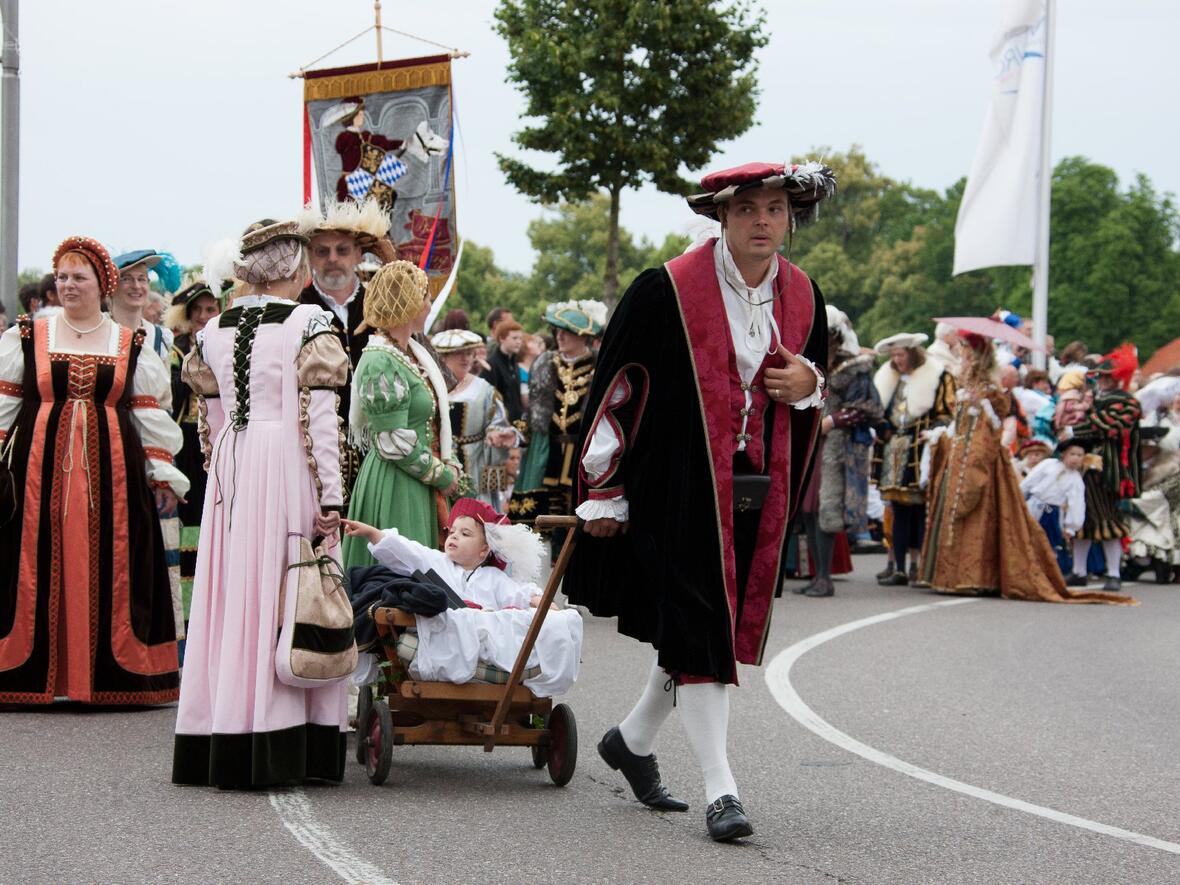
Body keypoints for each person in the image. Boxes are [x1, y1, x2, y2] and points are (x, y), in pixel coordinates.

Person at [563, 161, 833, 842]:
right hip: (674, 485)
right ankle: (723, 789)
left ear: (790, 217)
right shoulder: (666, 290)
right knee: (702, 625)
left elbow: (809, 389)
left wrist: (810, 383)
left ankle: (631, 739)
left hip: (750, 490)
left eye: (775, 209)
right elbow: (617, 389)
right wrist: (603, 488)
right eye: (748, 210)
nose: (763, 222)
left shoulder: (805, 297)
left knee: (696, 629)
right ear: (720, 215)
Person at [172, 216, 351, 788]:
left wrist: (224, 467)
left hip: (233, 464)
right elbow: (321, 421)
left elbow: (212, 419)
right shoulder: (311, 323)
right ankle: (292, 739)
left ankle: (220, 733)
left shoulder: (213, 329)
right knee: (291, 586)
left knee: (234, 594)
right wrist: (331, 495)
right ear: (296, 268)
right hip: (286, 463)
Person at [0, 236, 187, 704]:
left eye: (78, 277)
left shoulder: (131, 342)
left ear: (101, 285)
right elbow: (4, 405)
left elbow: (147, 413)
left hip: (114, 474)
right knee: (33, 560)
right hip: (37, 471)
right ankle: (31, 673)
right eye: (61, 277)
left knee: (112, 557)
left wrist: (161, 472)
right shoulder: (28, 335)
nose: (67, 285)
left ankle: (110, 678)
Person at [918, 334, 1130, 604]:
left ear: (977, 356)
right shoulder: (961, 386)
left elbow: (994, 430)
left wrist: (979, 406)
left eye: (966, 351)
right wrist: (939, 436)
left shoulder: (990, 392)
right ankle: (948, 575)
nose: (962, 355)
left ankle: (978, 576)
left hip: (982, 461)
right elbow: (958, 428)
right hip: (959, 459)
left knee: (983, 517)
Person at [342, 498, 582, 696]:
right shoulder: (436, 562)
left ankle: (501, 667)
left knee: (542, 621)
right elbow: (407, 551)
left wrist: (551, 611)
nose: (454, 537)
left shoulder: (493, 578)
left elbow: (524, 596)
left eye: (465, 533)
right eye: (452, 531)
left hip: (483, 643)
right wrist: (372, 533)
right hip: (446, 639)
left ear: (484, 549)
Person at [342, 261, 460, 570]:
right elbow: (392, 441)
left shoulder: (411, 353)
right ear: (407, 303)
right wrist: (441, 474)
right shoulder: (380, 360)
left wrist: (447, 465)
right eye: (425, 297)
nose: (429, 305)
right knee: (400, 575)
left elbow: (431, 423)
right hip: (396, 481)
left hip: (416, 478)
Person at [299, 198, 393, 496]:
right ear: (310, 257)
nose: (332, 259)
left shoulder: (382, 304)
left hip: (381, 442)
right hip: (316, 444)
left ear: (357, 255)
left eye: (342, 250)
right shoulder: (296, 308)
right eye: (322, 251)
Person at [795, 305, 882, 597]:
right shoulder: (815, 364)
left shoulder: (854, 368)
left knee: (825, 511)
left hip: (836, 448)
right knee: (808, 511)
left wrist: (831, 421)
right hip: (812, 445)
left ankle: (824, 578)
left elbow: (870, 408)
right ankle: (817, 575)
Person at [507, 301, 604, 545]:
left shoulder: (598, 365)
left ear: (583, 336)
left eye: (566, 331)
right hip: (546, 448)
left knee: (577, 513)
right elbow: (534, 412)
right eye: (557, 330)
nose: (559, 336)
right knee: (541, 517)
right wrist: (517, 435)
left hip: (583, 450)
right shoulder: (546, 362)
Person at [873, 332, 955, 585]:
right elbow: (881, 409)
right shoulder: (890, 379)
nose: (897, 360)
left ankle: (917, 565)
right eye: (894, 355)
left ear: (912, 354)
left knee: (918, 509)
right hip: (891, 452)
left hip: (919, 450)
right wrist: (883, 426)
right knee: (897, 509)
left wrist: (933, 432)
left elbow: (947, 412)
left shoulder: (937, 376)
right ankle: (898, 566)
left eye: (901, 354)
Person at [165, 280, 224, 624]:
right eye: (198, 310)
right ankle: (186, 613)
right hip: (187, 444)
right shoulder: (176, 350)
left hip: (218, 443)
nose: (204, 316)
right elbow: (170, 396)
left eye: (210, 309)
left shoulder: (228, 344)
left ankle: (213, 608)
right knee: (189, 523)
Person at [1061, 346, 1143, 591]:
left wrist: (1085, 417)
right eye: (1101, 377)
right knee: (1081, 519)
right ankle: (1078, 571)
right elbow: (1081, 427)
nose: (1103, 381)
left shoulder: (1128, 402)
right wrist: (1083, 418)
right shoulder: (1097, 400)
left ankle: (1114, 573)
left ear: (1118, 378)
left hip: (1111, 468)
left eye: (1107, 377)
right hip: (1087, 466)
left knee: (1108, 519)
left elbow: (1110, 427)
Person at [432, 328, 519, 505]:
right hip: (438, 460)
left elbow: (496, 420)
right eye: (458, 353)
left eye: (469, 353)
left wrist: (497, 434)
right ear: (443, 357)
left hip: (475, 464)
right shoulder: (429, 385)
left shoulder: (483, 389)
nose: (466, 358)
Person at [1021, 440, 1087, 575]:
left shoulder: (1076, 480)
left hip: (1051, 510)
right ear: (1063, 454)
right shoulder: (1048, 465)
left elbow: (1077, 504)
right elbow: (1029, 482)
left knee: (1049, 540)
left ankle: (1045, 570)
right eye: (1072, 454)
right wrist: (1019, 496)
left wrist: (1071, 527)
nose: (1076, 458)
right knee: (1026, 535)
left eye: (1080, 455)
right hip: (1033, 503)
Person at [1125, 426, 1180, 583]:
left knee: (1153, 533)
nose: (1141, 450)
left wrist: (1133, 502)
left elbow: (1166, 493)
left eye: (1144, 447)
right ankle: (1137, 563)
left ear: (1154, 446)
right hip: (1144, 511)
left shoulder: (1172, 465)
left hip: (1169, 512)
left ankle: (1160, 563)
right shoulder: (1134, 463)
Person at [110, 250, 179, 361]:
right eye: (126, 279)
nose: (136, 286)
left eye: (142, 279)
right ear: (113, 285)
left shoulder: (160, 337)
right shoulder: (99, 331)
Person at [486, 319, 527, 428]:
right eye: (514, 338)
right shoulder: (492, 364)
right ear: (502, 338)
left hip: (517, 421)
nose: (519, 342)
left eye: (520, 338)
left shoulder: (514, 362)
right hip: (501, 424)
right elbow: (491, 400)